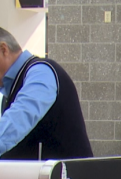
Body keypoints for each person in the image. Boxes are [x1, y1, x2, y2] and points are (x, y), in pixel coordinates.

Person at [0, 28, 92, 160]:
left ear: (3, 49)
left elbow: (18, 119)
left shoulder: (41, 72)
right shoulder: (10, 90)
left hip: (69, 177)